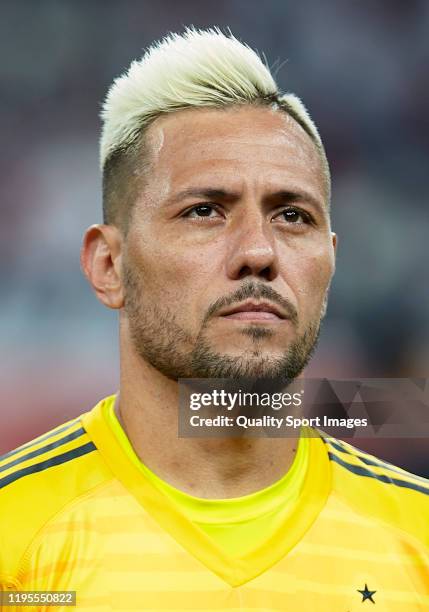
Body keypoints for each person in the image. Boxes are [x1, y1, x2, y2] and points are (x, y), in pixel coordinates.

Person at [0, 27, 428, 611]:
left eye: (292, 216)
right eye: (205, 210)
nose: (260, 250)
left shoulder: (418, 537)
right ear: (109, 265)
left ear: (332, 258)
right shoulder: (13, 537)